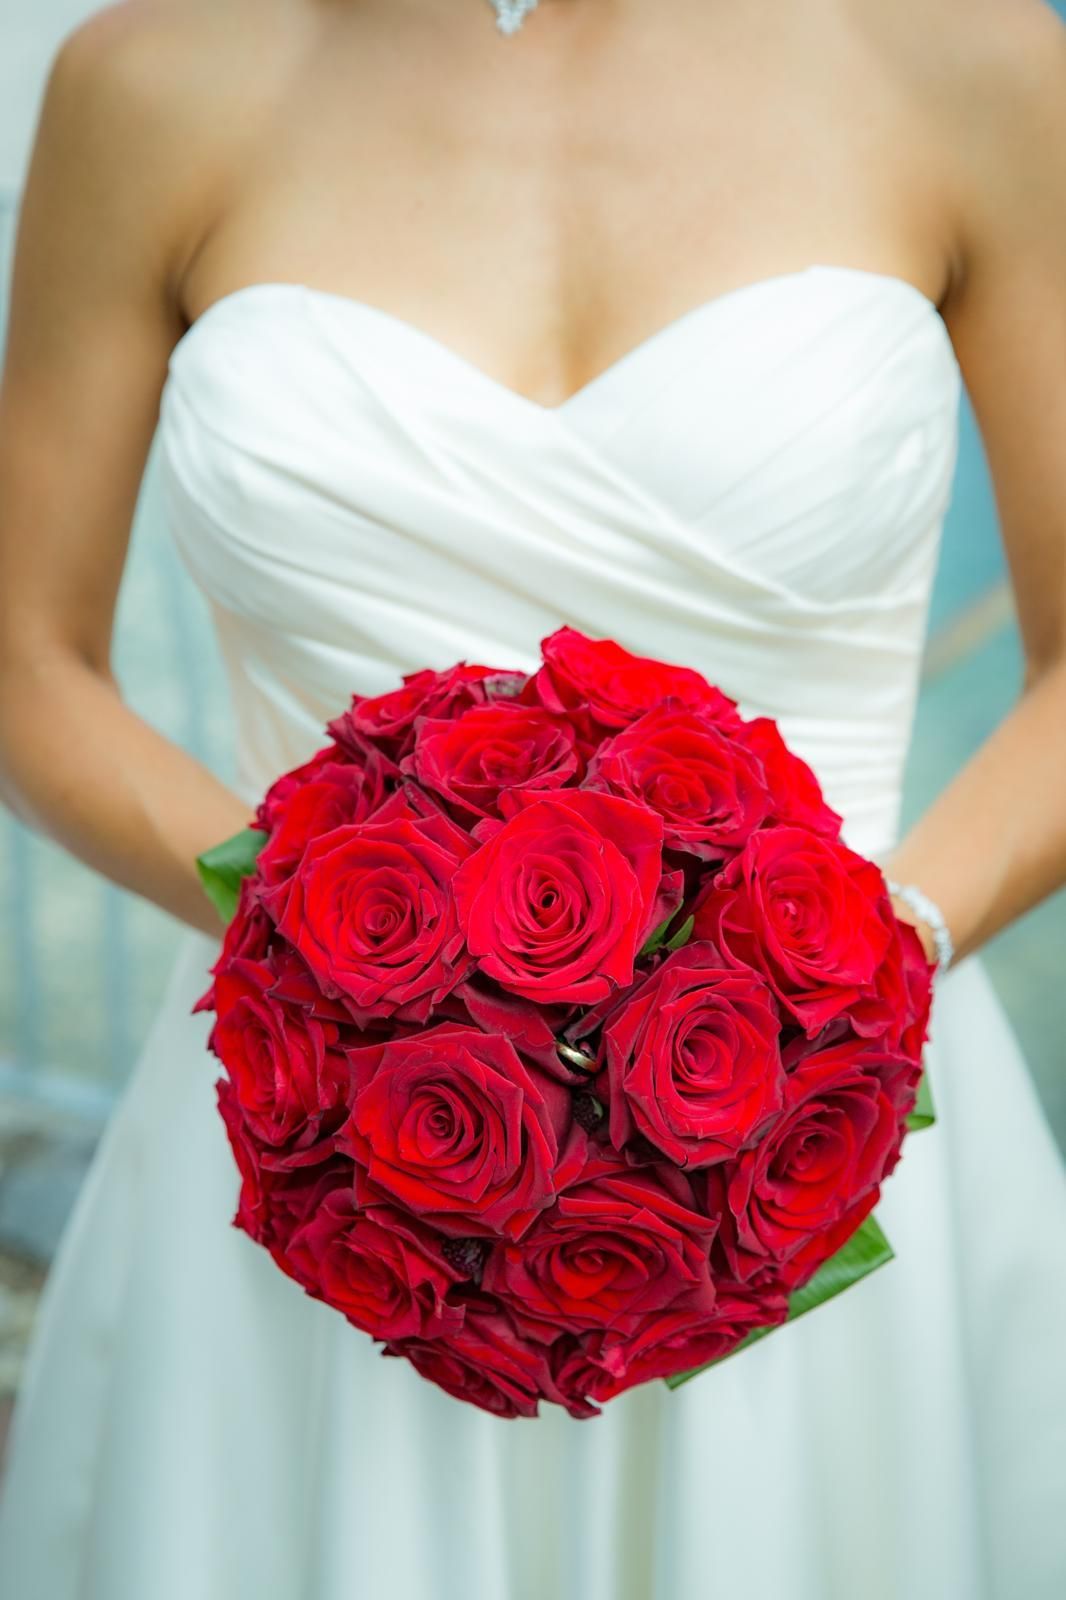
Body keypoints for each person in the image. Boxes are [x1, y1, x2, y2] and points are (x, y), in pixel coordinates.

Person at [1, 0, 1065, 1595]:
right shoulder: (148, 80)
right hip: (327, 1154)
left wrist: (846, 976)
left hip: (831, 1144)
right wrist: (321, 947)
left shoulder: (968, 60)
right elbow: (27, 662)